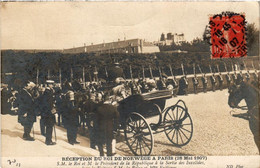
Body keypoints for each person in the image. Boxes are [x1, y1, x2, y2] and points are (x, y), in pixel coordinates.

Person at [39, 80, 56, 145]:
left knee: (50, 126)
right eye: (51, 84)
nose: (52, 85)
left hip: (48, 112)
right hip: (48, 113)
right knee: (49, 126)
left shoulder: (49, 91)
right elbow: (47, 104)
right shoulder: (47, 92)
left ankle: (49, 140)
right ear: (49, 85)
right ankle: (48, 141)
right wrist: (51, 110)